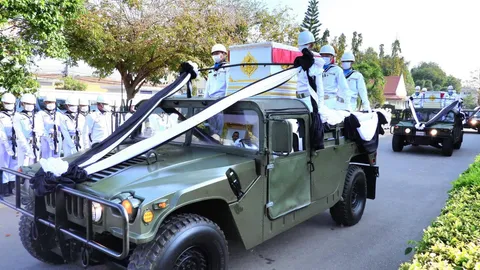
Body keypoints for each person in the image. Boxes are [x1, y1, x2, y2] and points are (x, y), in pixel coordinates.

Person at [295, 31, 325, 112]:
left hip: (309, 100)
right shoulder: (299, 61)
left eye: (305, 45)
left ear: (310, 45)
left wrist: (320, 105)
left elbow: (319, 86)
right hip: (298, 100)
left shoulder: (315, 63)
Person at [204, 44, 229, 139]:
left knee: (218, 117)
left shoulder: (227, 67)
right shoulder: (211, 69)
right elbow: (208, 86)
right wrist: (204, 100)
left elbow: (228, 84)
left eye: (217, 53)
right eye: (213, 53)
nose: (215, 55)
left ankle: (217, 136)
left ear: (223, 54)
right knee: (210, 119)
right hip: (210, 98)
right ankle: (211, 136)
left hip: (221, 98)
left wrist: (226, 99)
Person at [320, 44, 354, 110]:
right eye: (322, 55)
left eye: (327, 55)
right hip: (318, 100)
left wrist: (347, 105)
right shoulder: (316, 69)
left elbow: (345, 88)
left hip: (330, 101)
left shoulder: (337, 70)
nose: (324, 57)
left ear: (332, 57)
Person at [13, 93, 39, 166]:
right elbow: (19, 134)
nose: (30, 105)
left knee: (34, 167)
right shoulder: (18, 116)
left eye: (32, 104)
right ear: (22, 104)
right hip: (23, 145)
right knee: (23, 166)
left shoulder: (37, 116)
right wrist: (27, 149)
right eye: (27, 103)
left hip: (34, 144)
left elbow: (40, 130)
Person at [0, 93, 18, 196]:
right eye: (6, 103)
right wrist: (7, 147)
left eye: (10, 103)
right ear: (3, 103)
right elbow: (2, 133)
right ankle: (4, 188)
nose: (9, 105)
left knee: (13, 165)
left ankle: (12, 187)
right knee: (4, 165)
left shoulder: (17, 115)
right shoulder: (1, 116)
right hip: (3, 144)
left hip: (14, 143)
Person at [36, 94, 62, 159]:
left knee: (57, 159)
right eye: (49, 102)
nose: (51, 104)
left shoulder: (59, 114)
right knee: (46, 158)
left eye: (52, 102)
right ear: (45, 103)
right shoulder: (40, 114)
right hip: (45, 139)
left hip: (57, 139)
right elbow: (40, 128)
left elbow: (62, 127)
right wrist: (48, 138)